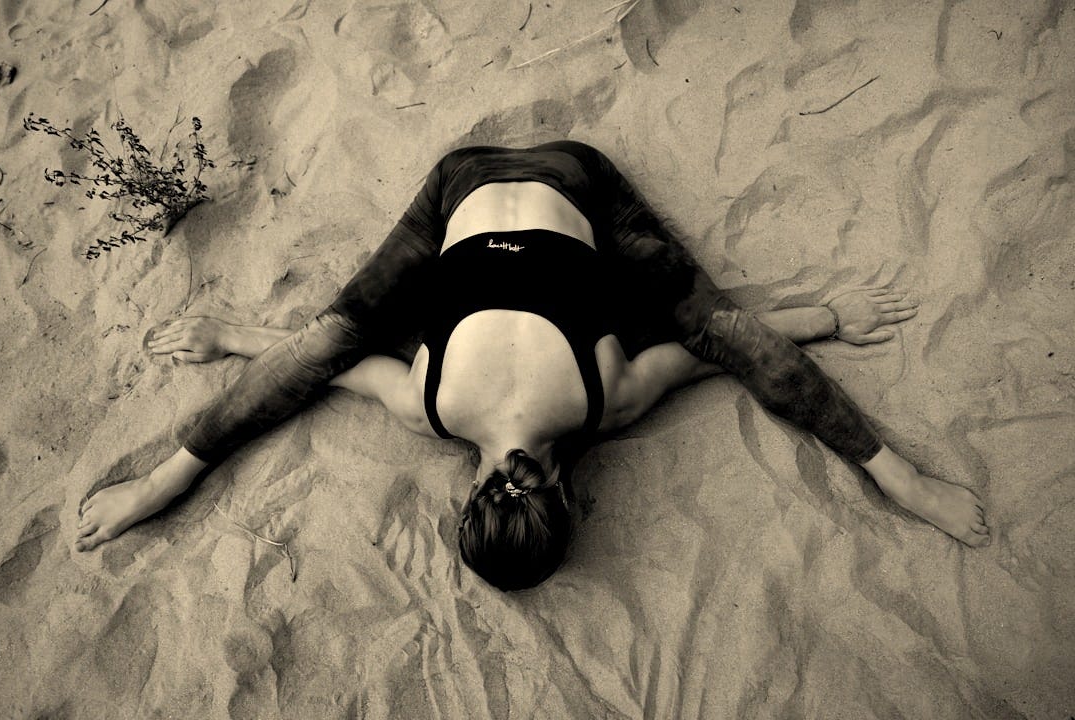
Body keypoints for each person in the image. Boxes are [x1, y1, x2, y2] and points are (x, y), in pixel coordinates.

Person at [74, 141, 990, 590]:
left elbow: (719, 355)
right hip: (461, 181)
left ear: (570, 504)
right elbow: (323, 370)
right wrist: (232, 341)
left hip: (575, 177)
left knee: (720, 329)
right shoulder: (429, 408)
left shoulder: (606, 404)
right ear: (467, 501)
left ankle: (902, 480)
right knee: (330, 337)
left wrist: (823, 321)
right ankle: (162, 479)